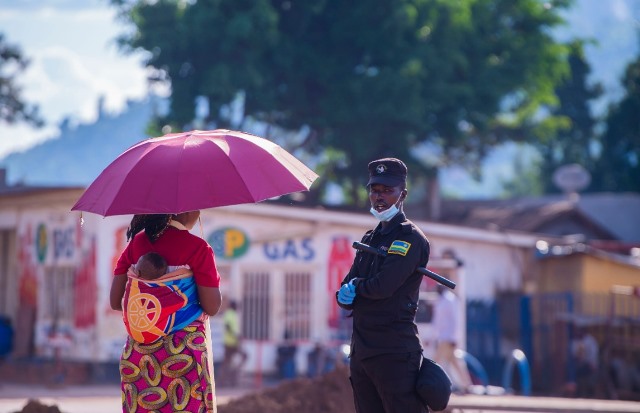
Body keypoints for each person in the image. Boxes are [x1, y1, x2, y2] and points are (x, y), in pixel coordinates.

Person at [336, 158, 430, 413]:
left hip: (394, 351)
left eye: (388, 191)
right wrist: (343, 294)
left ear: (403, 195)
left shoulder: (408, 237)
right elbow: (347, 283)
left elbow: (384, 286)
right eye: (375, 190)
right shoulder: (370, 237)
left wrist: (357, 287)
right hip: (362, 351)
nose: (380, 197)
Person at [110, 211, 222, 413]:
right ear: (186, 210)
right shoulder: (197, 248)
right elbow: (212, 307)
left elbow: (115, 302)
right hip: (182, 354)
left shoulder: (136, 244)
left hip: (138, 354)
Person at [432, 284, 473, 393]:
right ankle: (466, 385)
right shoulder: (441, 299)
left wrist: (454, 338)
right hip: (443, 337)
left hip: (448, 337)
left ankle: (432, 384)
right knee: (454, 362)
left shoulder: (450, 299)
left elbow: (455, 320)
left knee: (436, 362)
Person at [219, 300, 248, 386]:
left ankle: (230, 376)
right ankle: (224, 380)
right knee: (229, 362)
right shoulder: (229, 314)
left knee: (229, 362)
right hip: (230, 343)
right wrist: (236, 335)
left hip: (233, 343)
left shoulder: (233, 314)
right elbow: (227, 326)